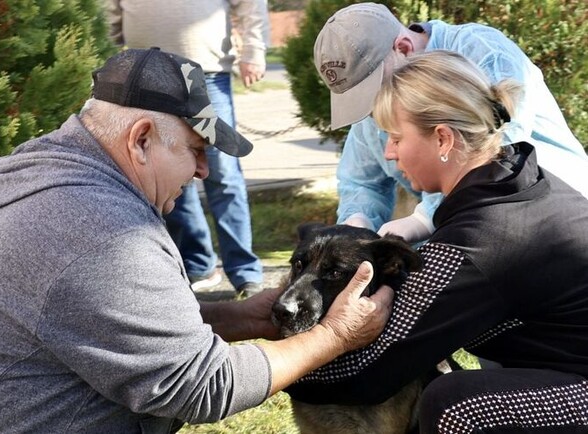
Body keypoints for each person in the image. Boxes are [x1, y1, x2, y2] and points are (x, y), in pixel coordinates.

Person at [0, 48, 394, 433]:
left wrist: (241, 318)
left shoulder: (32, 170)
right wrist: (335, 335)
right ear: (141, 140)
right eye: (196, 149)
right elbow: (203, 386)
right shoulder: (104, 231)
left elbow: (110, 323)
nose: (203, 170)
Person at [284, 50, 588, 433]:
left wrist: (261, 369)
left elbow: (370, 371)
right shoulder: (511, 179)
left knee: (456, 405)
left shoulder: (484, 234)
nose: (388, 152)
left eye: (396, 137)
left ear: (443, 138)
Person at [313, 2, 588, 244]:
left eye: (371, 92)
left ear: (404, 48)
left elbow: (499, 153)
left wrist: (425, 217)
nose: (373, 108)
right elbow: (361, 180)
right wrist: (357, 222)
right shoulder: (378, 98)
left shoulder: (482, 50)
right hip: (467, 230)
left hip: (558, 222)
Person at [105, 0, 269, 295]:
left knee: (223, 175)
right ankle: (198, 264)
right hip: (146, 73)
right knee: (168, 172)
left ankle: (245, 272)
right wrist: (110, 44)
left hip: (206, 72)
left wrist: (254, 51)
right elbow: (110, 8)